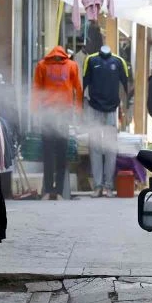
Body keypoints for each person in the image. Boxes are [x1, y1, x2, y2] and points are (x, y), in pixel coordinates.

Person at [33, 46, 82, 200]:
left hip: (47, 114)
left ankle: (48, 191)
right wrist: (78, 111)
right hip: (64, 114)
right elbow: (78, 89)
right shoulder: (72, 66)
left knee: (48, 154)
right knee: (61, 154)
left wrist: (34, 111)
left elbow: (36, 89)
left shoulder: (42, 65)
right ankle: (59, 192)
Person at [83, 45, 129, 197]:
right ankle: (97, 186)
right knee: (95, 147)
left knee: (110, 149)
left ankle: (108, 186)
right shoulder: (90, 60)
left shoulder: (119, 61)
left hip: (112, 110)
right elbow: (83, 84)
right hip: (94, 108)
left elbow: (126, 85)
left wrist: (124, 108)